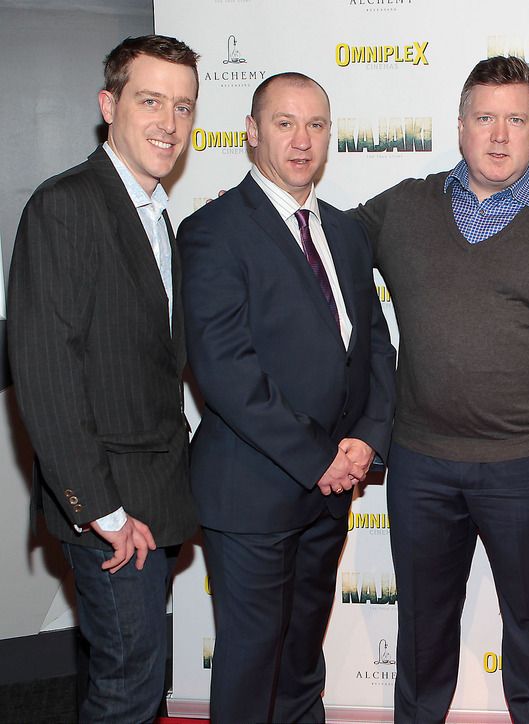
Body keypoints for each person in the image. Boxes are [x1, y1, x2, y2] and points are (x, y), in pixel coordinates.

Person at [351, 56, 529, 723]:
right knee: (421, 637)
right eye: (484, 118)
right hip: (420, 464)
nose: (499, 136)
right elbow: (312, 249)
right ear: (462, 124)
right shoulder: (400, 209)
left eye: (516, 120)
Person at [177, 72, 396, 723]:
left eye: (316, 125)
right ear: (251, 132)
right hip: (252, 492)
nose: (301, 140)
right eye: (284, 123)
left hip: (329, 491)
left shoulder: (348, 232)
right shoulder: (213, 231)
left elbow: (374, 347)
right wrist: (318, 456)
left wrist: (367, 436)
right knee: (251, 669)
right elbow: (224, 370)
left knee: (302, 661)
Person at [7, 35, 200, 723]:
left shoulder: (155, 215)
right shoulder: (66, 207)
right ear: (108, 104)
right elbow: (46, 374)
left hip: (148, 499)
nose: (169, 124)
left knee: (120, 675)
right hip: (113, 514)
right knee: (130, 689)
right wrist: (105, 513)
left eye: (182, 106)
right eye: (151, 101)